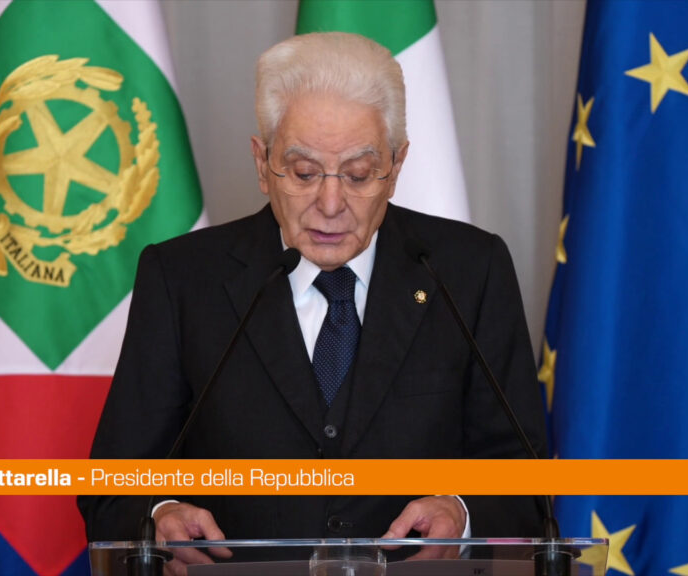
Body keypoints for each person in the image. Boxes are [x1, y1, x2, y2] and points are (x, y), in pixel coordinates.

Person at [78, 31, 546, 569]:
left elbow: (528, 483)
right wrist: (157, 514)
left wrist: (462, 514)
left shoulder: (469, 271)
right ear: (262, 163)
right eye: (303, 173)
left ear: (396, 167)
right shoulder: (183, 279)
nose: (330, 202)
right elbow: (111, 489)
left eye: (359, 174)